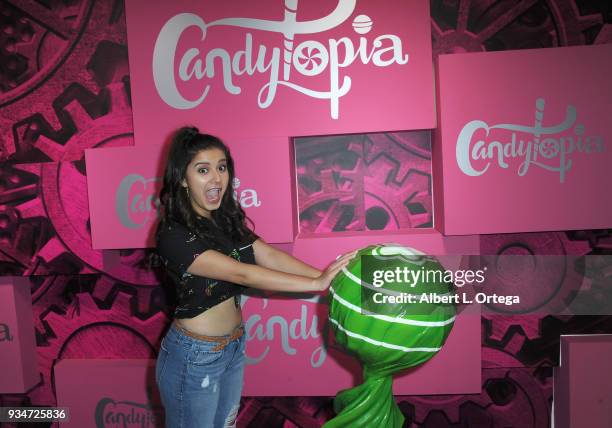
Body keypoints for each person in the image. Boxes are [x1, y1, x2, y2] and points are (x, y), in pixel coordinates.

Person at [154, 126, 356, 428]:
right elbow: (241, 272)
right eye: (203, 170)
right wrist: (316, 284)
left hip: (232, 346)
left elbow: (268, 255)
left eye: (221, 167)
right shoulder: (173, 233)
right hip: (195, 355)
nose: (216, 178)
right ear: (183, 179)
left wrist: (328, 278)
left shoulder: (225, 221)